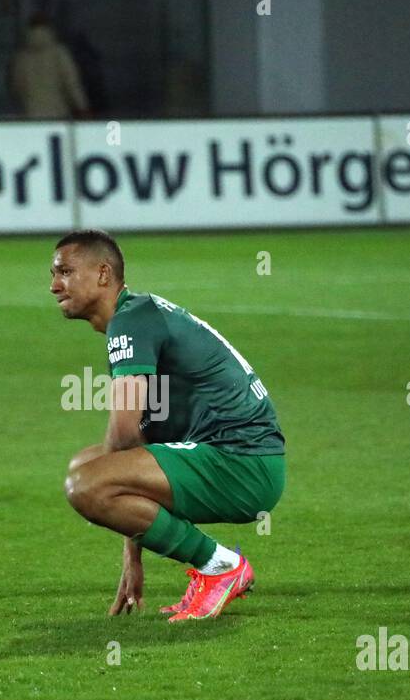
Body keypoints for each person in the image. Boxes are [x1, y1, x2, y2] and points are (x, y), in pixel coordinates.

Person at [54, 230, 286, 621]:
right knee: (85, 466)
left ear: (103, 274)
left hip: (243, 463)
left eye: (65, 272)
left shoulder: (129, 325)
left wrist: (122, 520)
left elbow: (126, 436)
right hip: (241, 457)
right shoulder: (138, 316)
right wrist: (132, 551)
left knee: (86, 484)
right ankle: (217, 567)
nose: (54, 285)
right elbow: (144, 440)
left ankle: (221, 567)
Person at [9, 14, 89, 119]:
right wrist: (82, 107)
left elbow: (16, 88)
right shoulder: (59, 53)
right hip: (58, 113)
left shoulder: (21, 58)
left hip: (30, 115)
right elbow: (71, 83)